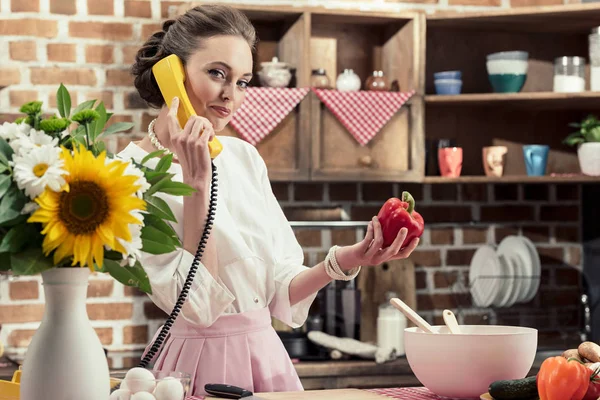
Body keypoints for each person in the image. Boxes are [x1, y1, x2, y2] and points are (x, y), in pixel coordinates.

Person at [118, 4, 420, 396]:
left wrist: (348, 259)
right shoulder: (128, 174)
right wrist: (196, 182)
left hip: (266, 358)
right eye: (216, 73)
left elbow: (279, 289)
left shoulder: (243, 158)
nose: (230, 95)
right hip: (194, 366)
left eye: (242, 81)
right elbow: (196, 305)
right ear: (170, 74)